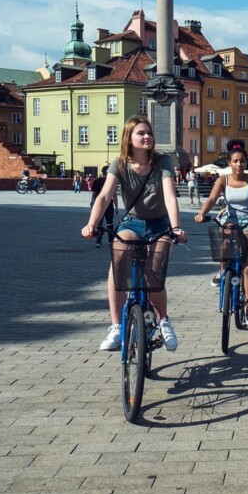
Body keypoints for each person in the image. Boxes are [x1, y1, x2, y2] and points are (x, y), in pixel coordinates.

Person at [82, 115, 189, 351]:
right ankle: (117, 327)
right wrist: (91, 224)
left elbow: (170, 197)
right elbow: (104, 196)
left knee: (154, 274)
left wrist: (176, 227)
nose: (147, 137)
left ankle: (163, 321)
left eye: (149, 133)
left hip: (160, 225)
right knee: (117, 262)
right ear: (129, 138)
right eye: (141, 133)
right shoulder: (119, 163)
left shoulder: (162, 162)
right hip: (132, 223)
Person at [196, 142, 248, 322]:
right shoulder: (223, 180)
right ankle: (222, 270)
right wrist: (201, 214)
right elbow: (212, 199)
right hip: (231, 220)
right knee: (224, 234)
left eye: (243, 161)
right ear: (229, 163)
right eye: (236, 161)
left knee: (247, 268)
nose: (239, 165)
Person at [91, 165, 115, 247]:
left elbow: (94, 194)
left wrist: (93, 204)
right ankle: (110, 241)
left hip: (99, 205)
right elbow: (114, 195)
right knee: (110, 224)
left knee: (99, 224)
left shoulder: (96, 181)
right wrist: (117, 207)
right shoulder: (111, 181)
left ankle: (98, 242)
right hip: (109, 205)